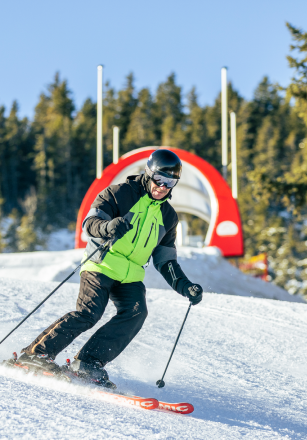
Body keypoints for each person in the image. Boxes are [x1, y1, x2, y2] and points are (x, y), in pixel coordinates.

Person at [16, 149, 203, 388]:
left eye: (170, 182)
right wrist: (109, 227)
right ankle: (35, 354)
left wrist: (186, 286)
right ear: (148, 173)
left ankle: (87, 363)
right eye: (160, 179)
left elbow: (166, 261)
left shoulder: (168, 216)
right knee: (89, 313)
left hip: (130, 275)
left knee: (136, 313)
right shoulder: (119, 194)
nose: (163, 187)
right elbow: (90, 223)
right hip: (101, 264)